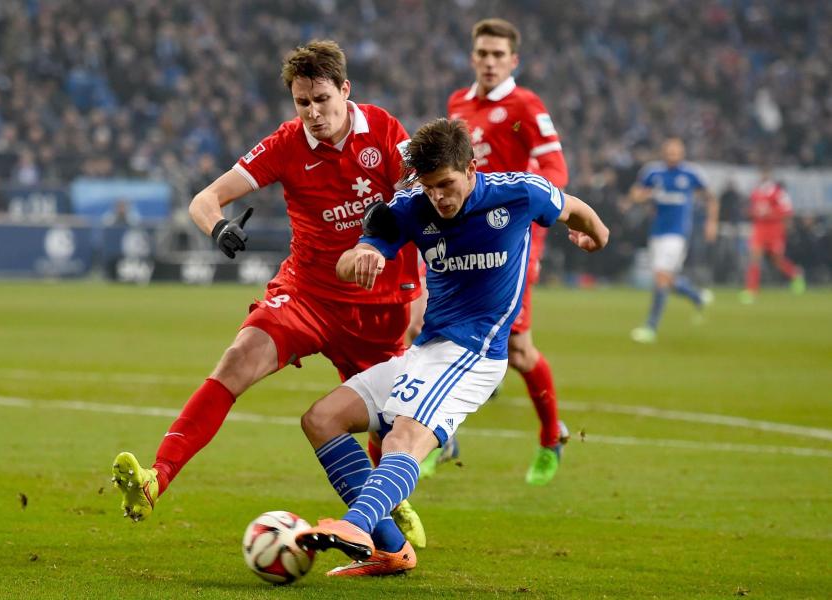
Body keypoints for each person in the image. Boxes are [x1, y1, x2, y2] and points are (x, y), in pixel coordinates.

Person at [109, 40, 428, 550]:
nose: (314, 113)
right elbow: (203, 199)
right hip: (306, 295)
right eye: (303, 103)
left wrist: (416, 285)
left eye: (322, 99)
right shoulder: (285, 144)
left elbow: (420, 201)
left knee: (385, 422)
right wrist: (217, 229)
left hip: (378, 304)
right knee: (237, 359)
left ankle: (386, 502)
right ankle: (155, 478)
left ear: (346, 91)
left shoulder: (385, 132)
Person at [296, 118, 609, 576]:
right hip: (428, 350)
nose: (438, 197)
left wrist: (596, 237)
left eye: (446, 184)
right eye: (429, 187)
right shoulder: (410, 205)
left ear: (471, 167)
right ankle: (391, 549)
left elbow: (575, 208)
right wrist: (360, 256)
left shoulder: (519, 194)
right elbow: (350, 260)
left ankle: (355, 525)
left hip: (476, 354)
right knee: (321, 420)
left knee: (403, 438)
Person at [416, 18, 571, 485]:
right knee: (426, 328)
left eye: (498, 55)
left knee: (521, 350)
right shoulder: (458, 104)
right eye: (482, 53)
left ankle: (551, 435)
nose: (489, 62)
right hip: (460, 236)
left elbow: (555, 168)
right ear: (472, 56)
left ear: (513, 61)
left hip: (512, 239)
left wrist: (538, 208)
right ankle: (439, 439)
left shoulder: (525, 106)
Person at [629, 138, 718, 343]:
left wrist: (711, 222)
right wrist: (647, 195)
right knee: (665, 279)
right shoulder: (652, 172)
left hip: (677, 234)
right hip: (657, 233)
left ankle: (650, 327)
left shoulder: (691, 173)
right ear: (663, 152)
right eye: (669, 152)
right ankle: (696, 296)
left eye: (676, 152)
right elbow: (635, 194)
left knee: (661, 277)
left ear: (682, 153)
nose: (673, 156)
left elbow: (711, 197)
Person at [739, 167, 805, 303]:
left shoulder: (777, 192)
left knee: (777, 260)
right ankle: (751, 291)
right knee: (754, 258)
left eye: (765, 173)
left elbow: (787, 210)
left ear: (769, 176)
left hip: (774, 229)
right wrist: (751, 212)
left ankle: (795, 275)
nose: (762, 176)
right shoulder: (756, 192)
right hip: (759, 229)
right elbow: (752, 209)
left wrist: (771, 215)